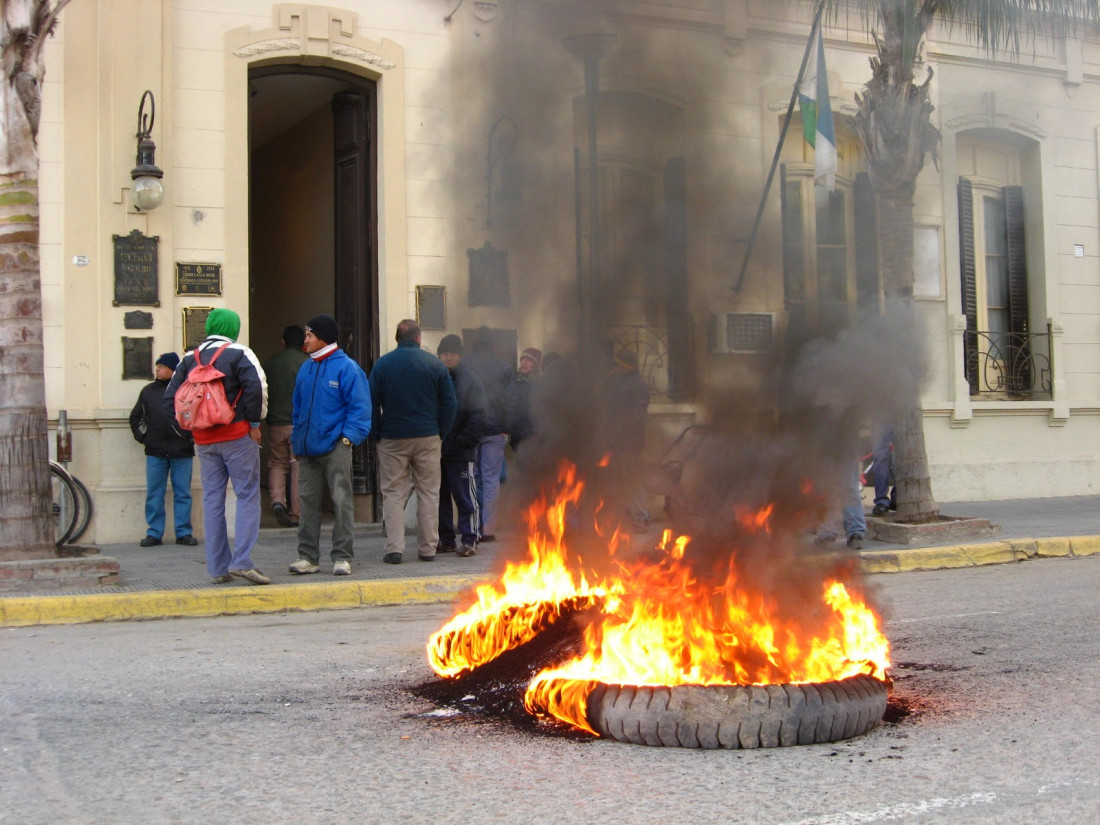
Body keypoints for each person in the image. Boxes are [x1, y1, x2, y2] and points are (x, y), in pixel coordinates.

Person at [164, 308, 270, 585]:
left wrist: (189, 432)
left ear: (210, 326)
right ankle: (243, 561)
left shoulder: (189, 358)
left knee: (213, 499)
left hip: (204, 440)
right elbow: (256, 389)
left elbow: (170, 400)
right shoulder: (240, 353)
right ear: (233, 327)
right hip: (237, 436)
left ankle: (217, 569)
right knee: (247, 495)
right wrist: (255, 425)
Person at [288, 315, 372, 576]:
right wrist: (297, 435)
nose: (306, 340)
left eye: (310, 335)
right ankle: (308, 557)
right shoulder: (306, 367)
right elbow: (298, 407)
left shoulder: (347, 368)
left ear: (323, 337)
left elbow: (360, 408)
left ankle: (342, 556)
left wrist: (347, 439)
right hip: (307, 448)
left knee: (341, 501)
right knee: (308, 503)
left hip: (335, 445)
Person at [368, 319, 457, 564]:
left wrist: (377, 434)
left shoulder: (382, 365)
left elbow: (371, 404)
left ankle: (394, 549)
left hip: (393, 438)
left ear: (397, 338)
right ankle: (428, 548)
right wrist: (441, 432)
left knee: (393, 493)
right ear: (419, 338)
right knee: (429, 492)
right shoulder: (434, 364)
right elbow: (450, 403)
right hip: (428, 436)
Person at [128, 352, 196, 547]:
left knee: (183, 493)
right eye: (157, 366)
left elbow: (194, 415)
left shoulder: (185, 390)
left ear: (173, 370)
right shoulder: (147, 391)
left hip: (181, 450)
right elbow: (135, 418)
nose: (158, 369)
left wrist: (188, 436)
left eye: (163, 366)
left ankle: (183, 532)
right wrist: (144, 438)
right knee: (155, 493)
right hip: (155, 451)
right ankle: (154, 532)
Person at [436, 334, 489, 557]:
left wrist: (463, 441)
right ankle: (446, 539)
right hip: (438, 449)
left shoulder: (471, 381)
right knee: (440, 498)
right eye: (444, 353)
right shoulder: (435, 378)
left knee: (465, 497)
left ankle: (470, 539)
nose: (448, 357)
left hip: (460, 450)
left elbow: (479, 415)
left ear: (459, 355)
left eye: (452, 353)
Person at [461, 326, 512, 542]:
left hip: (470, 429)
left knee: (471, 478)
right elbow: (510, 401)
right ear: (493, 343)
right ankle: (488, 528)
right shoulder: (504, 367)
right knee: (491, 480)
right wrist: (505, 427)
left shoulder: (464, 365)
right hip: (494, 429)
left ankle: (472, 525)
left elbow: (460, 398)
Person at [263, 324, 308, 528]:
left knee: (278, 463)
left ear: (283, 341)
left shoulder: (271, 363)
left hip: (275, 422)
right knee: (297, 463)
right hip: (298, 423)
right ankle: (296, 512)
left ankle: (278, 501)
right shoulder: (307, 363)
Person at [602, 348, 651, 532]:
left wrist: (622, 436)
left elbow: (635, 418)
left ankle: (641, 517)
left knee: (631, 480)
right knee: (619, 481)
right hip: (616, 443)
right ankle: (625, 518)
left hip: (629, 444)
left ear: (625, 365)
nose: (616, 367)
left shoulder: (636, 386)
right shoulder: (618, 382)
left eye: (619, 364)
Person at [504, 346, 542, 456]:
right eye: (523, 359)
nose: (524, 362)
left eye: (529, 360)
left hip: (534, 433)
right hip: (517, 432)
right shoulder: (514, 381)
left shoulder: (541, 384)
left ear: (536, 365)